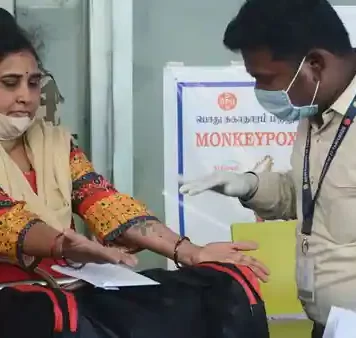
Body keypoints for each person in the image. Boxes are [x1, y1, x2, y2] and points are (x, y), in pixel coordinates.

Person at [0, 8, 271, 335]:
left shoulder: (54, 144)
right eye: (10, 83)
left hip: (66, 303)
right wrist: (63, 245)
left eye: (33, 83)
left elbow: (105, 203)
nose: (25, 97)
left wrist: (189, 251)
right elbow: (7, 221)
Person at [179, 0, 356, 337]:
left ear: (315, 64)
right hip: (331, 326)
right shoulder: (316, 109)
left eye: (266, 78)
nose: (260, 91)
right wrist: (249, 185)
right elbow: (312, 195)